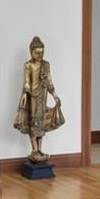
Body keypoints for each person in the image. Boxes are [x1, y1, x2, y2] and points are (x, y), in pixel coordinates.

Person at [13, 35, 64, 163]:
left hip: (43, 96)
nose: (40, 55)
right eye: (37, 52)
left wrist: (54, 94)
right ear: (31, 52)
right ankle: (34, 150)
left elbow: (49, 81)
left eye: (42, 52)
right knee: (33, 121)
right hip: (32, 97)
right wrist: (24, 95)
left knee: (41, 123)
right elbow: (26, 82)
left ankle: (40, 149)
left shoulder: (46, 64)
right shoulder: (29, 65)